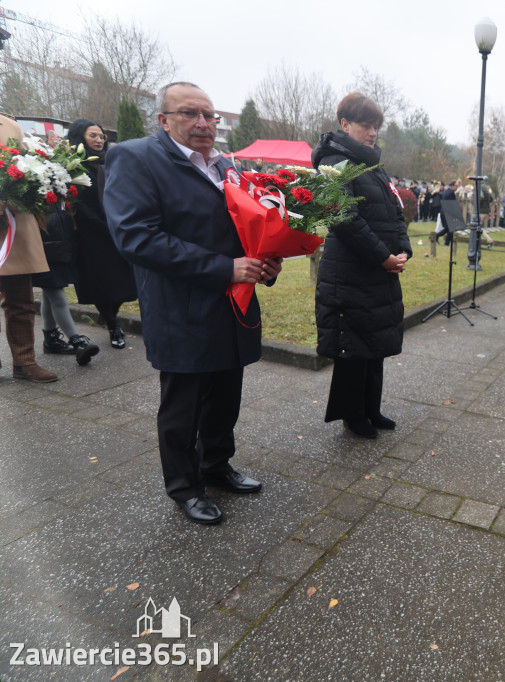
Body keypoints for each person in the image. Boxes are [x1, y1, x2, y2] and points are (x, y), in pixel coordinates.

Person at [105, 82, 279, 525]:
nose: (203, 123)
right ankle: (185, 486)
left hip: (233, 304)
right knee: (184, 406)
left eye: (209, 115)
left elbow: (247, 226)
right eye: (189, 114)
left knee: (226, 395)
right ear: (163, 120)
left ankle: (217, 466)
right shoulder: (136, 157)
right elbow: (136, 236)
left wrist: (264, 259)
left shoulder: (227, 165)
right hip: (182, 307)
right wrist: (226, 268)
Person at [312, 91, 412, 440]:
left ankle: (371, 408)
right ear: (345, 124)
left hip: (377, 269)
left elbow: (395, 212)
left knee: (375, 342)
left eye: (376, 127)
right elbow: (345, 219)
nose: (373, 133)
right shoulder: (335, 162)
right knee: (353, 344)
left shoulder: (373, 166)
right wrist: (382, 256)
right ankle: (352, 415)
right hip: (350, 272)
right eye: (366, 125)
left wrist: (402, 250)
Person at [67, 119, 137, 349]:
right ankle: (112, 324)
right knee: (100, 283)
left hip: (117, 227)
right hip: (90, 233)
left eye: (101, 136)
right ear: (80, 137)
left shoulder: (114, 160)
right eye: (92, 136)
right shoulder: (73, 164)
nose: (99, 140)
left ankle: (111, 315)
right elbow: (76, 201)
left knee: (121, 282)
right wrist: (101, 225)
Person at [0, 115, 58, 383]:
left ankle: (24, 362)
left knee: (21, 299)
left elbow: (27, 167)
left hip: (15, 222)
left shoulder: (9, 124)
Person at [34, 201, 100, 366]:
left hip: (57, 252)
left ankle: (51, 340)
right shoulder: (35, 193)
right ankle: (77, 342)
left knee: (49, 295)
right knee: (57, 297)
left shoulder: (59, 194)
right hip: (45, 253)